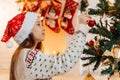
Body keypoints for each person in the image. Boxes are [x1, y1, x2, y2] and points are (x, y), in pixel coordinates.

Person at [1, 11, 91, 80]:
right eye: (38, 24)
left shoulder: (22, 55)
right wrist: (82, 27)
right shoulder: (29, 57)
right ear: (27, 31)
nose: (43, 28)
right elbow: (65, 61)